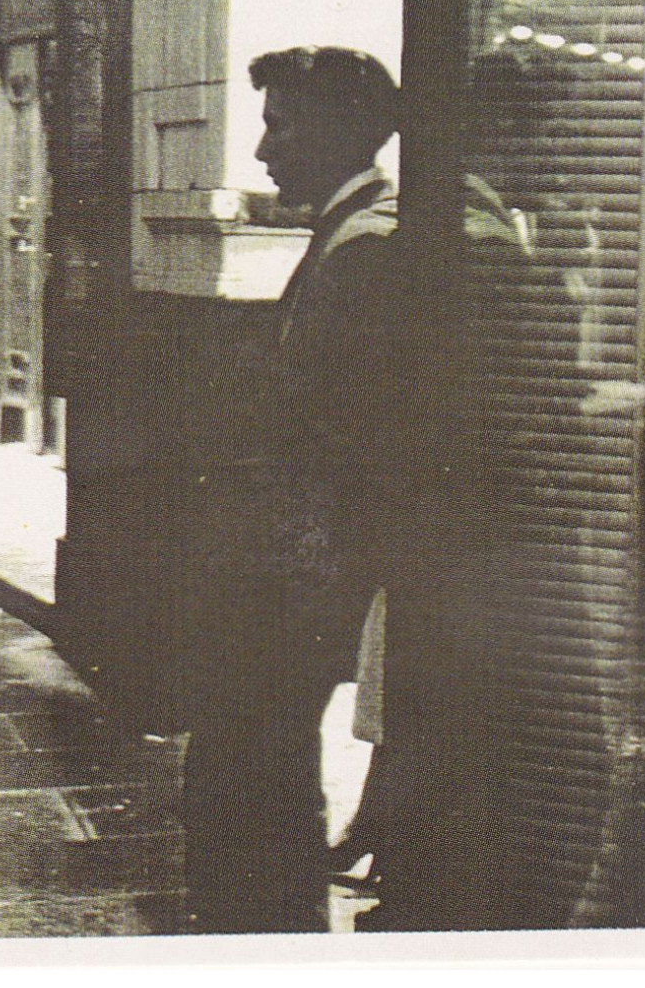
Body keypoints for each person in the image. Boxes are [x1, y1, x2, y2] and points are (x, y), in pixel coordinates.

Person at [169, 46, 409, 933]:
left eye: (281, 124)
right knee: (258, 766)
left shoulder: (365, 247)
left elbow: (338, 434)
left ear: (341, 130)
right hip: (295, 567)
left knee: (248, 770)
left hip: (299, 572)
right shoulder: (353, 233)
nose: (265, 151)